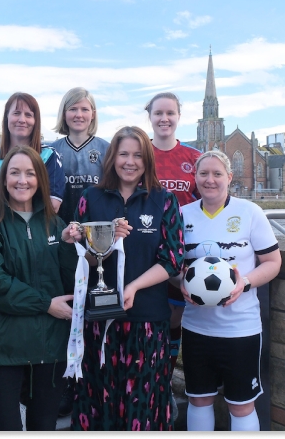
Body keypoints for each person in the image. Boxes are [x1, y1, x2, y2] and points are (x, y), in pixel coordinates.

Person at [71, 126, 185, 431]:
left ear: (147, 160)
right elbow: (83, 257)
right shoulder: (90, 198)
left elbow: (172, 259)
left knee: (144, 407)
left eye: (137, 155)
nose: (130, 161)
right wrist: (92, 242)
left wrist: (134, 286)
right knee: (100, 401)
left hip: (148, 320)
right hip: (100, 321)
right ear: (112, 158)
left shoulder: (164, 200)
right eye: (123, 154)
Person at [0, 146, 79, 431]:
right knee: (4, 426)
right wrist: (46, 304)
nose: (23, 180)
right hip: (3, 348)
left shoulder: (56, 225)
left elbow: (69, 285)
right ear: (3, 179)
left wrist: (70, 248)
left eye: (31, 173)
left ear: (41, 179)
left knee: (44, 425)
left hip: (50, 348)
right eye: (15, 172)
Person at [176, 150, 281, 432]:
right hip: (196, 327)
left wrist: (243, 283)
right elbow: (171, 266)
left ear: (229, 177)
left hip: (240, 329)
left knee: (241, 404)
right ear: (195, 177)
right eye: (203, 173)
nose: (210, 180)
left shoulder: (249, 213)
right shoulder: (181, 215)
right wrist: (181, 283)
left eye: (217, 173)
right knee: (199, 399)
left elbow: (273, 262)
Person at [50, 87, 109, 416]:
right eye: (72, 109)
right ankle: (65, 386)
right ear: (64, 113)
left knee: (93, 316)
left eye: (85, 109)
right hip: (60, 244)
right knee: (64, 314)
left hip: (96, 247)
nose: (79, 115)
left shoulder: (106, 149)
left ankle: (91, 384)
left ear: (93, 114)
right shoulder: (52, 150)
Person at [146, 92, 202, 374]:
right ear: (150, 116)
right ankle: (149, 374)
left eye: (170, 113)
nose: (164, 119)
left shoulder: (194, 157)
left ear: (179, 117)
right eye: (158, 113)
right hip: (146, 249)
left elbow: (209, 200)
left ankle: (166, 379)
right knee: (149, 314)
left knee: (175, 317)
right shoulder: (140, 154)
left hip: (185, 248)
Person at [0, 92, 64, 213]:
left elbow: (53, 207)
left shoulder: (49, 156)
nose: (22, 120)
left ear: (36, 121)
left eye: (28, 115)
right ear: (6, 117)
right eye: (16, 113)